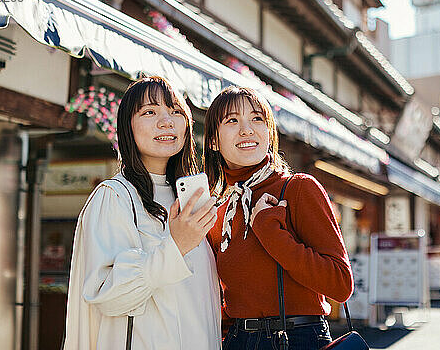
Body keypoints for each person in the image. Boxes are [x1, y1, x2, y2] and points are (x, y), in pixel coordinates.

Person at [63, 77, 221, 350]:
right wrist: (176, 246)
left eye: (175, 111)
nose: (166, 121)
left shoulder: (189, 198)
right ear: (128, 128)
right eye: (149, 112)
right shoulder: (113, 196)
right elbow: (107, 295)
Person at [203, 86, 353, 350]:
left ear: (269, 132)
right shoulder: (220, 211)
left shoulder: (298, 189)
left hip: (297, 338)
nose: (247, 129)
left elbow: (340, 284)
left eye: (257, 119)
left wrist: (269, 230)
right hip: (238, 340)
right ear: (214, 140)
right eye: (232, 120)